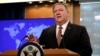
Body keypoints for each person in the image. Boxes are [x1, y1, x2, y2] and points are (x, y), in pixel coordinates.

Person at [28, 3, 92, 56]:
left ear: (67, 13)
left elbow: (87, 51)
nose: (57, 13)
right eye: (55, 11)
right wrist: (36, 44)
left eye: (61, 10)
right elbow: (41, 50)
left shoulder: (80, 30)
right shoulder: (46, 32)